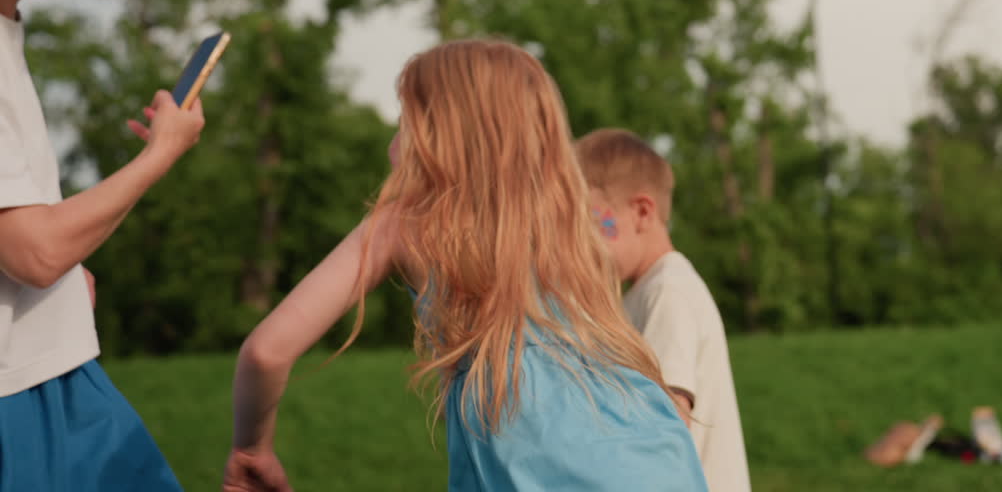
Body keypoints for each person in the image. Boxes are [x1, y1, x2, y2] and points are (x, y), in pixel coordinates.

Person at [222, 40, 707, 492]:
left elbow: (266, 352)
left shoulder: (408, 224)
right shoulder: (570, 234)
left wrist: (254, 448)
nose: (395, 139)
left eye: (405, 121)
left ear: (439, 136)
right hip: (663, 459)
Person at [0, 0, 205, 490]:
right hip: (24, 404)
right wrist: (160, 157)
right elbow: (35, 249)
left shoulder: (7, 33)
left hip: (45, 378)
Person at [574, 129, 752, 492]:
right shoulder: (641, 294)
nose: (579, 245)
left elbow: (667, 426)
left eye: (589, 225)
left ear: (641, 212)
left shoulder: (669, 291)